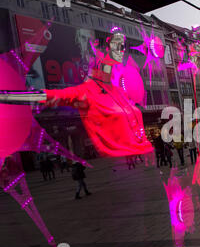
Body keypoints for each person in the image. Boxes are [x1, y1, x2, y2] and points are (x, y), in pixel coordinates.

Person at [0, 27, 153, 158]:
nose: (120, 51)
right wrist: (7, 96)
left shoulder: (120, 91)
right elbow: (50, 96)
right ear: (100, 50)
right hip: (118, 162)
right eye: (115, 46)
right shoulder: (86, 92)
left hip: (143, 153)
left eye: (122, 47)